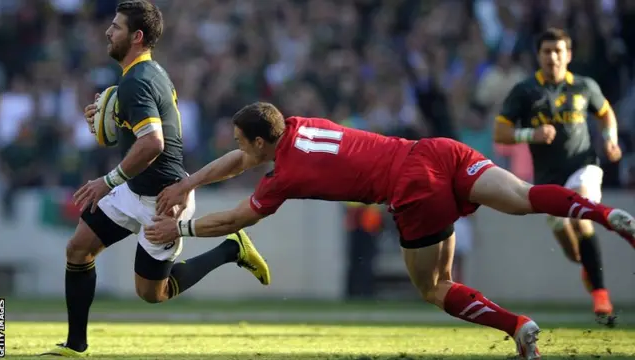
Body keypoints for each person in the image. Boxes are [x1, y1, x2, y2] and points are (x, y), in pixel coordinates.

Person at [145, 102, 635, 360]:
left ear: (259, 140)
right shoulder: (295, 125)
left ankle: (518, 328)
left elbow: (234, 219)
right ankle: (602, 214)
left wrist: (181, 225)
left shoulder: (285, 175)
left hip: (411, 187)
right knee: (527, 198)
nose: (236, 149)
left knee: (434, 287)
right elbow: (242, 159)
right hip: (438, 151)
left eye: (240, 141)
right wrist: (191, 180)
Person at [41, 1, 270, 357]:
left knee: (152, 294)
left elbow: (153, 143)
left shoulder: (137, 81)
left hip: (164, 200)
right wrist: (107, 117)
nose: (107, 31)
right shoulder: (146, 74)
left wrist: (107, 181)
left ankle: (231, 249)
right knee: (78, 249)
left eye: (116, 27)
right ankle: (75, 346)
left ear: (136, 36)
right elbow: (143, 130)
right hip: (134, 189)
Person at [493, 28, 622, 326]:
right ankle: (588, 268)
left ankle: (601, 296)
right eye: (547, 51)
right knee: (571, 249)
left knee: (581, 211)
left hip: (583, 165)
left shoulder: (584, 86)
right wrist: (531, 134)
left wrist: (611, 138)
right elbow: (500, 132)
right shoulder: (525, 91)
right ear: (538, 56)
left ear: (569, 54)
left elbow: (605, 113)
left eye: (558, 51)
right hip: (548, 178)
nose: (553, 57)